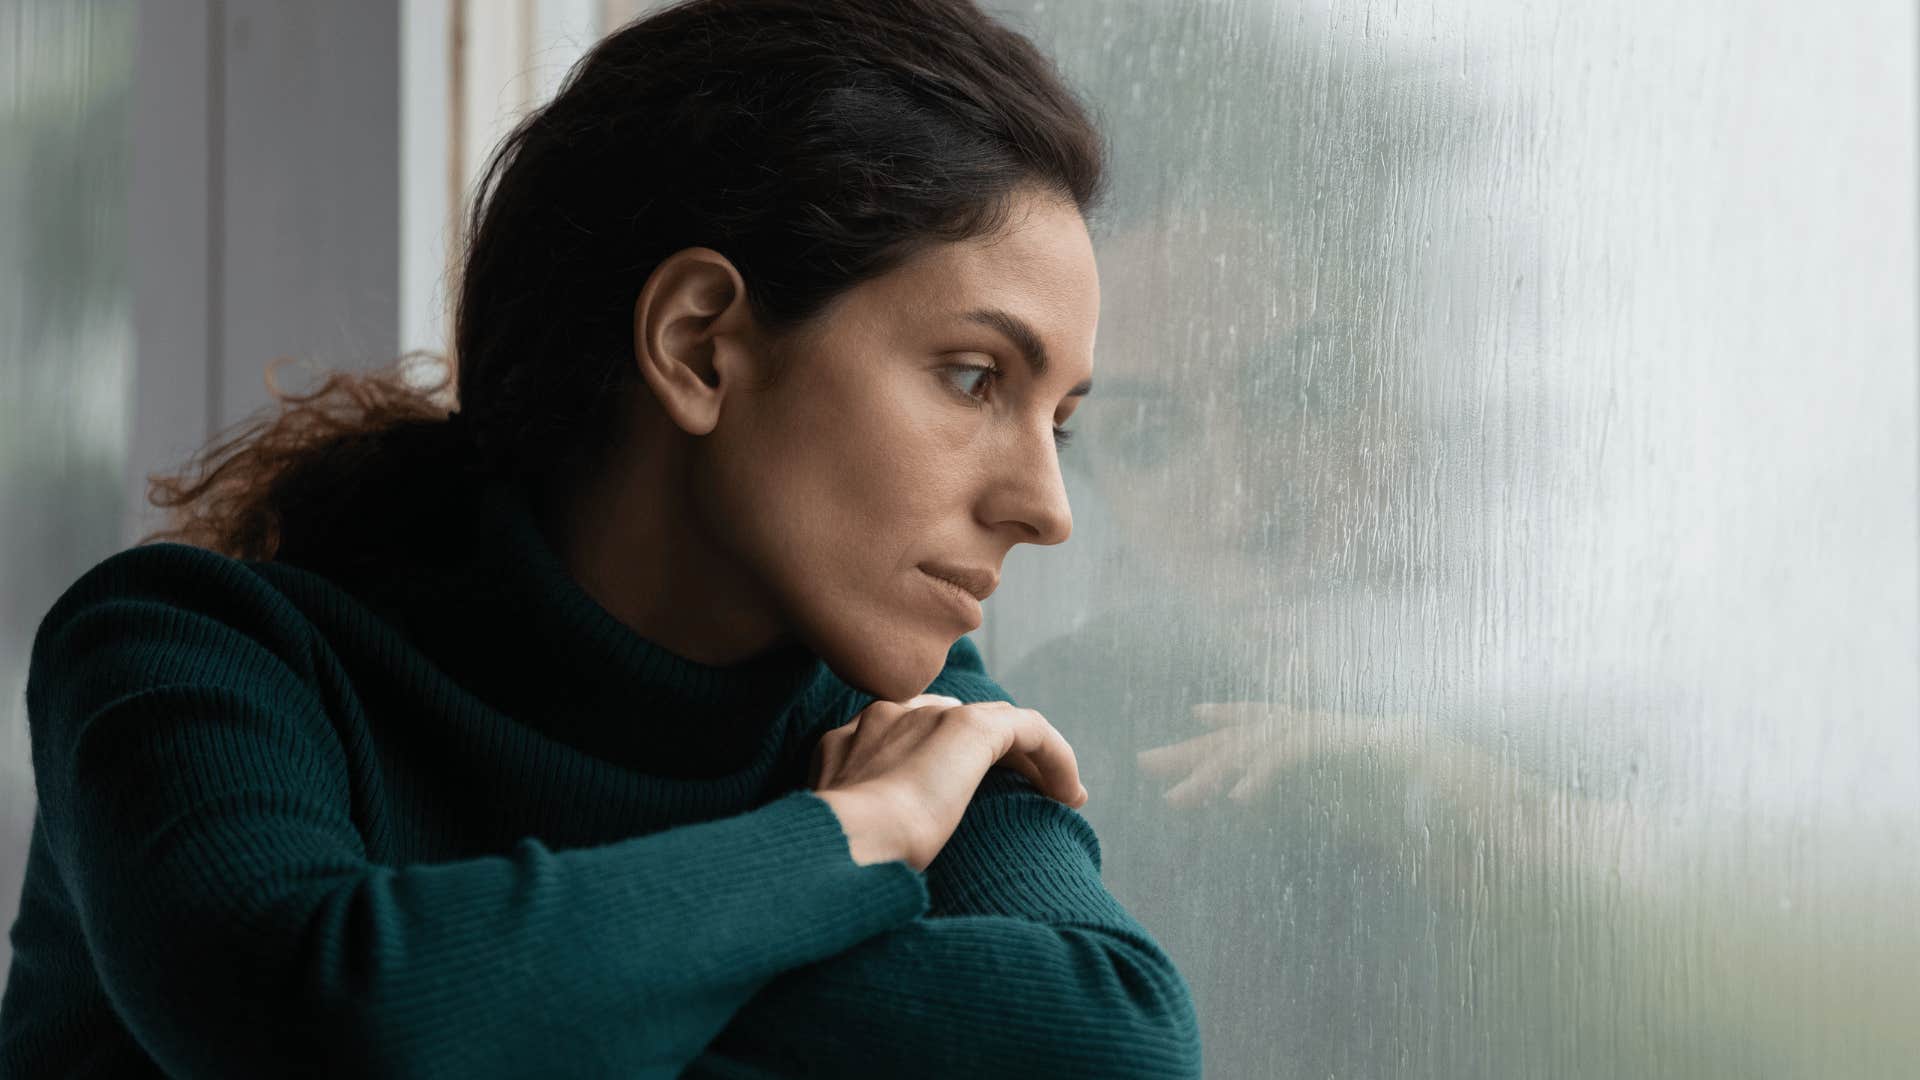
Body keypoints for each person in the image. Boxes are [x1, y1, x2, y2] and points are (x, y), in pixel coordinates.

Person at [0, 1, 1202, 1076]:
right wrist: (859, 837)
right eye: (973, 375)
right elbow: (340, 1021)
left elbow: (1114, 1041)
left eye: (1064, 422)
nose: (1046, 507)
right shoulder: (187, 656)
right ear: (698, 345)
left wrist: (511, 996)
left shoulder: (910, 714)